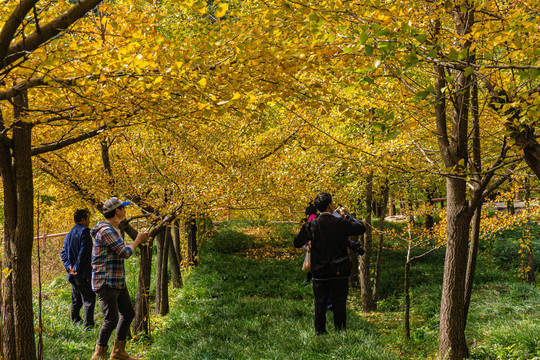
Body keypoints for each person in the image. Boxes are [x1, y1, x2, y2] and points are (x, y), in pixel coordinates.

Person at [294, 192, 366, 335]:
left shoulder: (312, 224)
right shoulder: (340, 222)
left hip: (320, 271)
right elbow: (361, 227)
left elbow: (297, 242)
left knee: (319, 303)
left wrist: (311, 244)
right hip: (339, 270)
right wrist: (347, 215)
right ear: (329, 205)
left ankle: (320, 332)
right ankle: (340, 332)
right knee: (339, 303)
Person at [90, 197, 149, 360]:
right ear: (117, 210)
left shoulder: (113, 229)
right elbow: (125, 252)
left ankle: (118, 351)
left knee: (128, 313)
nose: (125, 210)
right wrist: (137, 240)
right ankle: (98, 354)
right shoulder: (106, 231)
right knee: (111, 319)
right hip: (106, 281)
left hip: (117, 281)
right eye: (123, 207)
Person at [61, 209, 96, 329]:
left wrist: (69, 267)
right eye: (88, 218)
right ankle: (88, 325)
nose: (89, 220)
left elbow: (63, 253)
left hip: (73, 273)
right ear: (82, 219)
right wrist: (76, 268)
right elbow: (84, 252)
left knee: (76, 297)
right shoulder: (85, 232)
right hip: (82, 272)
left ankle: (75, 320)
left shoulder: (69, 233)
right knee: (89, 299)